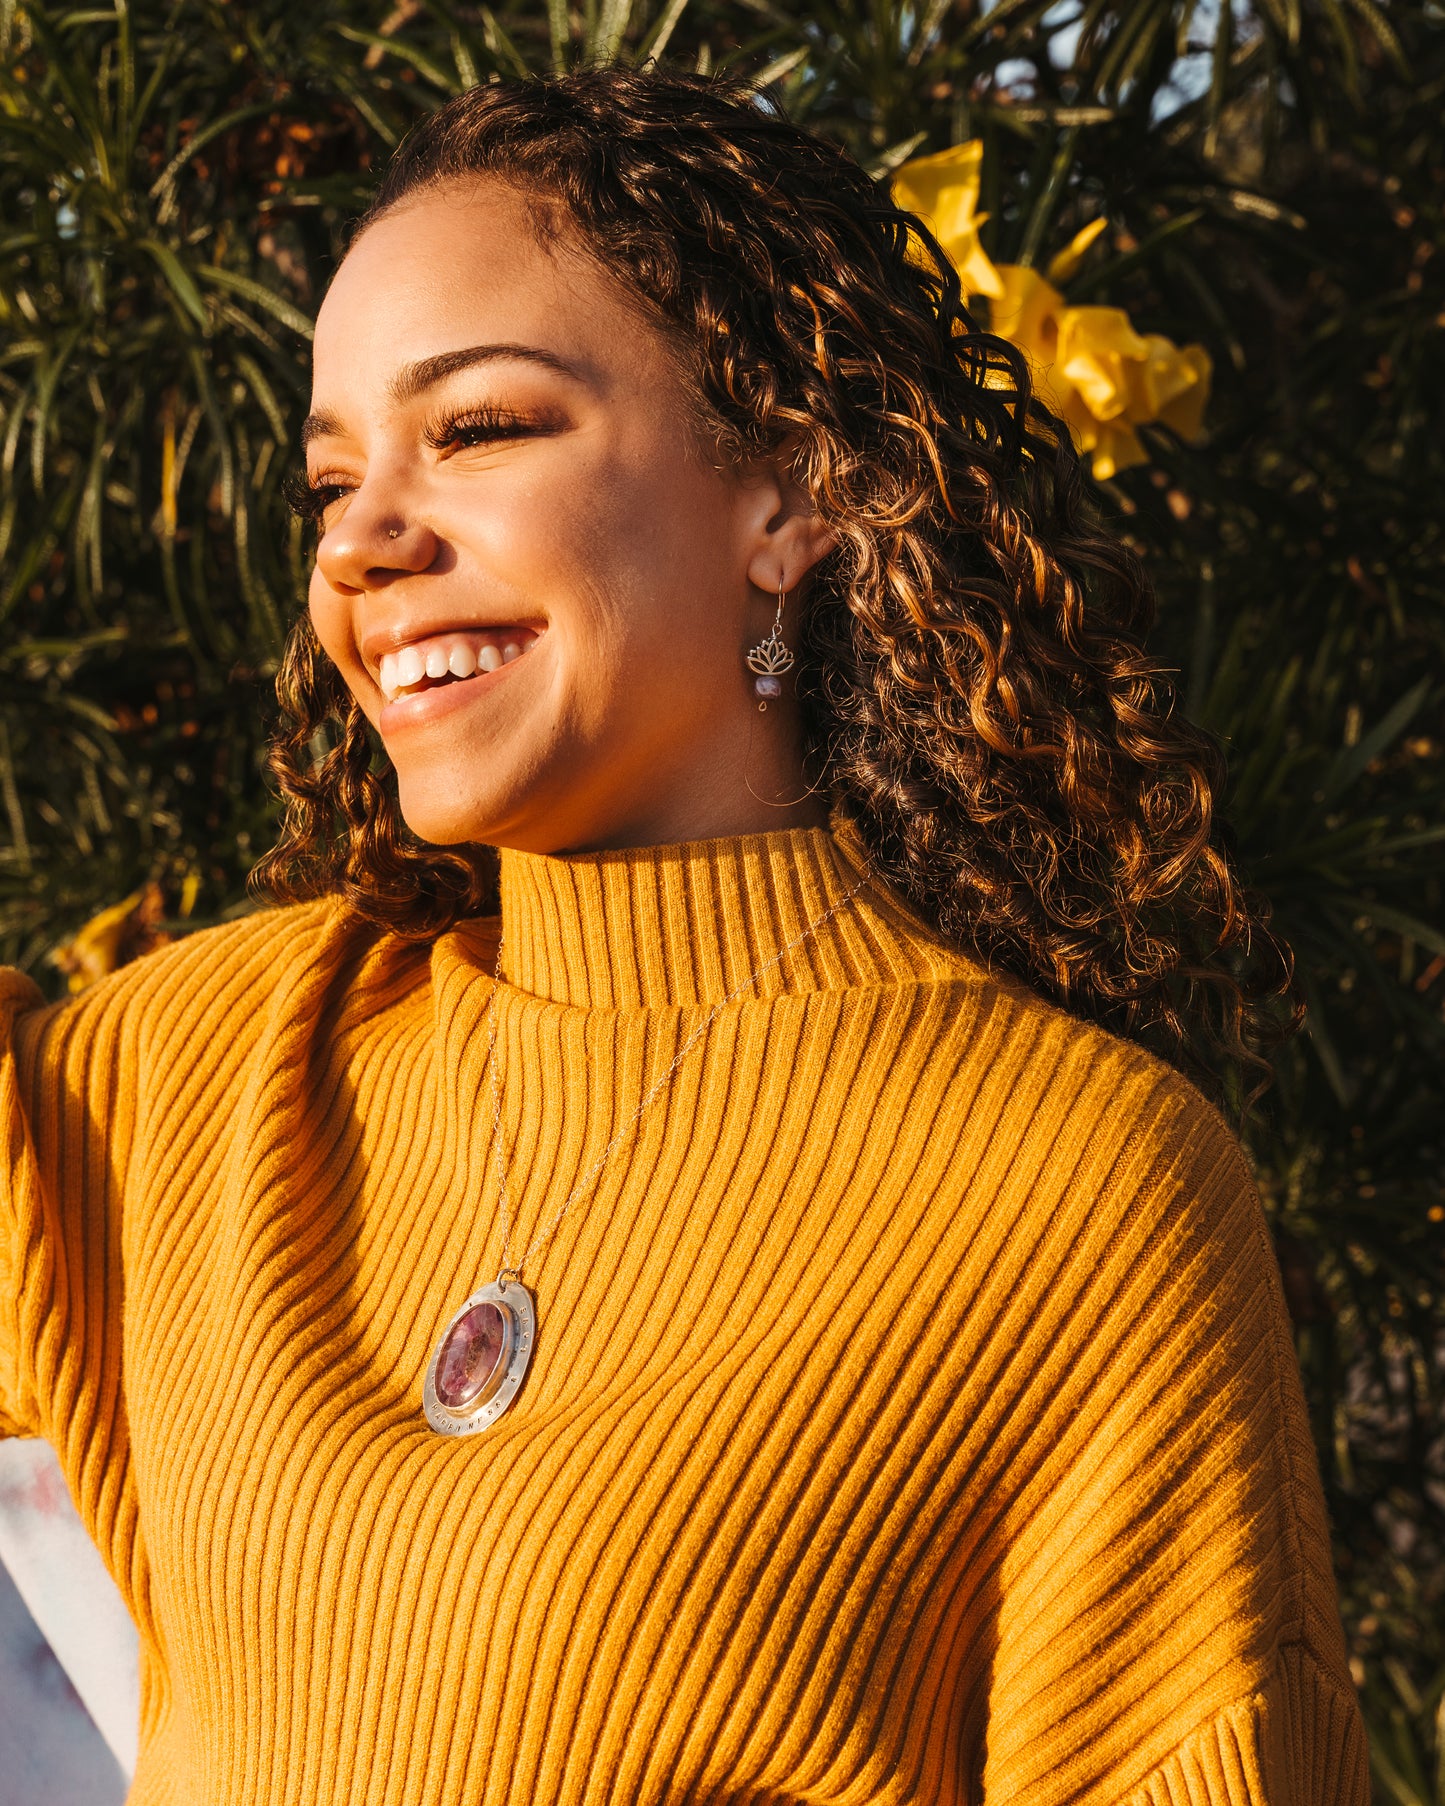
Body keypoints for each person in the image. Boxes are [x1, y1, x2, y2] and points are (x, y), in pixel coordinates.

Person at [0, 67, 1366, 1806]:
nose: (361, 539)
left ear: (785, 497)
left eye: (479, 429)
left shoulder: (1078, 1189)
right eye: (329, 479)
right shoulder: (207, 1073)